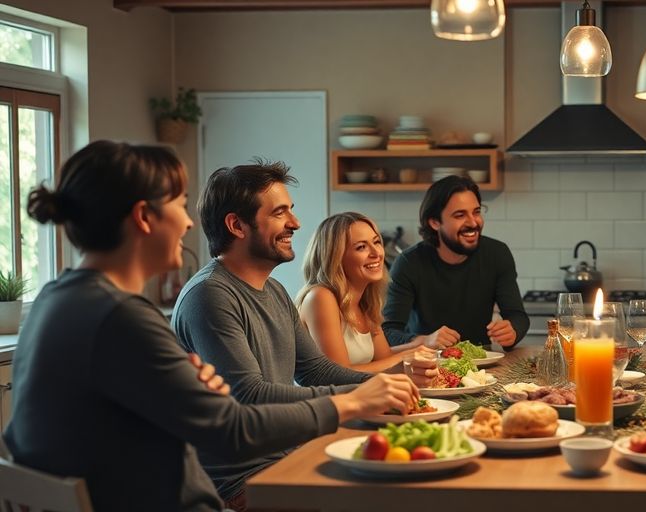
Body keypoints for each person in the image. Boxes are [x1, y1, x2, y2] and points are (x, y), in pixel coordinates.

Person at [2, 141, 418, 511]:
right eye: (179, 205)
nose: (187, 223)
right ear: (144, 217)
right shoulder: (122, 315)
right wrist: (353, 402)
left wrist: (188, 388)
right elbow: (232, 428)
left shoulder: (58, 298)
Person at [172, 161, 432, 509]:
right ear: (236, 225)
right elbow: (249, 395)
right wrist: (363, 394)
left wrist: (393, 380)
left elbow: (315, 370)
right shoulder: (210, 295)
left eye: (291, 211)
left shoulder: (275, 290)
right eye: (280, 213)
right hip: (243, 481)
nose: (295, 223)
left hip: (289, 454)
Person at [383, 175, 528, 350]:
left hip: (482, 365)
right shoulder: (409, 263)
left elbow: (517, 316)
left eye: (476, 212)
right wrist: (425, 340)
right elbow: (389, 332)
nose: (473, 222)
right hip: (427, 366)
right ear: (435, 222)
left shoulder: (497, 254)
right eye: (460, 215)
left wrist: (513, 330)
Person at [297, 212, 427, 370]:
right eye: (361, 247)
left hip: (359, 394)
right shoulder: (320, 297)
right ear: (335, 257)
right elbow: (338, 374)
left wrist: (419, 348)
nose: (376, 253)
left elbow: (383, 360)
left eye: (377, 242)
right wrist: (406, 355)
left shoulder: (364, 303)